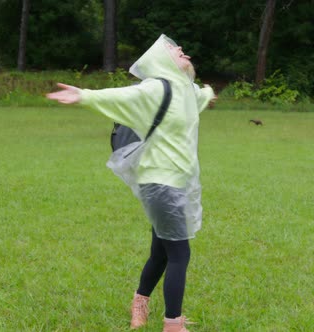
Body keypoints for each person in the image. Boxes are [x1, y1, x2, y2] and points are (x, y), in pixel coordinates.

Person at [47, 34, 216, 332]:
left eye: (181, 49)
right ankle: (173, 325)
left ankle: (139, 302)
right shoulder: (155, 88)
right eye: (175, 51)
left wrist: (208, 92)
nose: (182, 51)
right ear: (163, 62)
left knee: (161, 252)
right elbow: (124, 96)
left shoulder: (186, 91)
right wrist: (84, 95)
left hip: (176, 183)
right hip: (161, 183)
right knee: (180, 253)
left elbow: (201, 96)